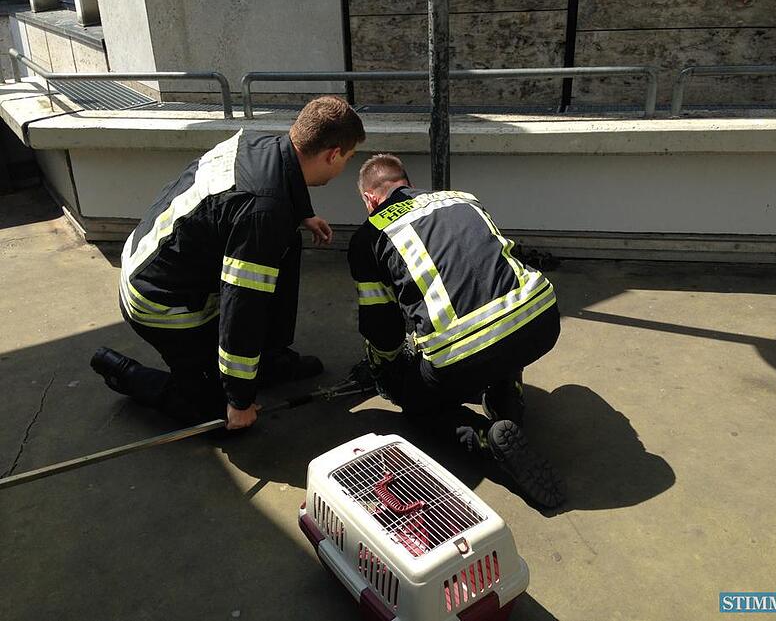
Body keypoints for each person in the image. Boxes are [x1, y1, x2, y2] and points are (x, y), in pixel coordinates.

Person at [91, 96, 365, 430]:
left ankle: (269, 358)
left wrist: (304, 214)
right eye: (347, 159)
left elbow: (272, 189)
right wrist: (239, 399)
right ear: (332, 154)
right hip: (160, 302)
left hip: (154, 258)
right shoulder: (263, 212)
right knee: (219, 417)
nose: (343, 167)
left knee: (285, 238)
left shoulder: (260, 142)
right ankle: (125, 373)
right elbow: (242, 309)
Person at [347, 154, 563, 508]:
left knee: (417, 401)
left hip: (463, 356)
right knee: (496, 321)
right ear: (408, 183)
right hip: (541, 321)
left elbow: (382, 327)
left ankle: (484, 439)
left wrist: (386, 367)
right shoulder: (462, 198)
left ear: (370, 199)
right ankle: (506, 396)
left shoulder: (369, 237)